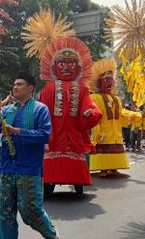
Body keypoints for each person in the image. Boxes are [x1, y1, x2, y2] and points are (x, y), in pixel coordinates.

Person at [0, 71, 59, 239]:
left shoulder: (40, 109)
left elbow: (44, 135)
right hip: (6, 169)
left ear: (30, 88)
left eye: (19, 84)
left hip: (29, 169)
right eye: (14, 84)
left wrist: (17, 132)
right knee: (1, 211)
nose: (15, 87)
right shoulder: (6, 111)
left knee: (30, 211)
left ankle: (52, 235)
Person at [39, 37, 102, 196]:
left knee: (75, 156)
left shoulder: (82, 88)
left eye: (71, 63)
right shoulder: (48, 88)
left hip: (74, 132)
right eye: (62, 63)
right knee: (51, 159)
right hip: (54, 132)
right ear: (54, 67)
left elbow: (90, 105)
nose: (66, 67)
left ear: (78, 67)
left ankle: (77, 183)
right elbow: (42, 111)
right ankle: (48, 185)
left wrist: (90, 113)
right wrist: (46, 131)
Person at [87, 58, 141, 177]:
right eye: (106, 80)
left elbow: (121, 114)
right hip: (103, 132)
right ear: (99, 82)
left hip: (115, 133)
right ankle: (103, 169)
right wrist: (97, 133)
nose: (109, 83)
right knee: (103, 147)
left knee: (115, 146)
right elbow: (95, 117)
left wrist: (132, 116)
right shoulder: (95, 97)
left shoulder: (116, 99)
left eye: (111, 80)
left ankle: (112, 167)